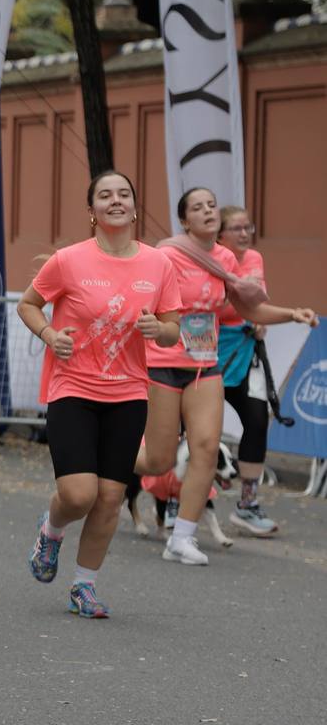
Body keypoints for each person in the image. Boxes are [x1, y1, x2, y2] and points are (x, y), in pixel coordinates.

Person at [16, 172, 183, 617]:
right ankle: (51, 530)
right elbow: (28, 304)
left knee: (110, 497)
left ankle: (83, 586)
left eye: (124, 194)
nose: (116, 201)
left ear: (133, 207)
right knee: (78, 495)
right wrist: (50, 334)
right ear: (92, 211)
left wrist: (159, 330)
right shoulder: (69, 261)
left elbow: (172, 329)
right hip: (73, 388)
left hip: (128, 393)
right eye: (105, 195)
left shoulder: (158, 264)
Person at [133, 187, 317, 567]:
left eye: (212, 205)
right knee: (159, 460)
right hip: (163, 364)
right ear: (185, 221)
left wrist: (292, 314)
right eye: (197, 207)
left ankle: (182, 537)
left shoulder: (225, 260)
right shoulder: (166, 255)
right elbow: (138, 296)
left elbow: (251, 308)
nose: (207, 211)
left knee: (204, 448)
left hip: (205, 365)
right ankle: (106, 453)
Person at [217, 205, 279, 537]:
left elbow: (254, 301)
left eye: (248, 227)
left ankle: (247, 504)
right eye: (237, 228)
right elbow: (224, 305)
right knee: (190, 431)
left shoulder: (253, 258)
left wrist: (257, 319)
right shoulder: (208, 258)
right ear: (220, 235)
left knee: (257, 420)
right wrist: (245, 307)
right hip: (207, 352)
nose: (244, 234)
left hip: (243, 353)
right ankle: (170, 498)